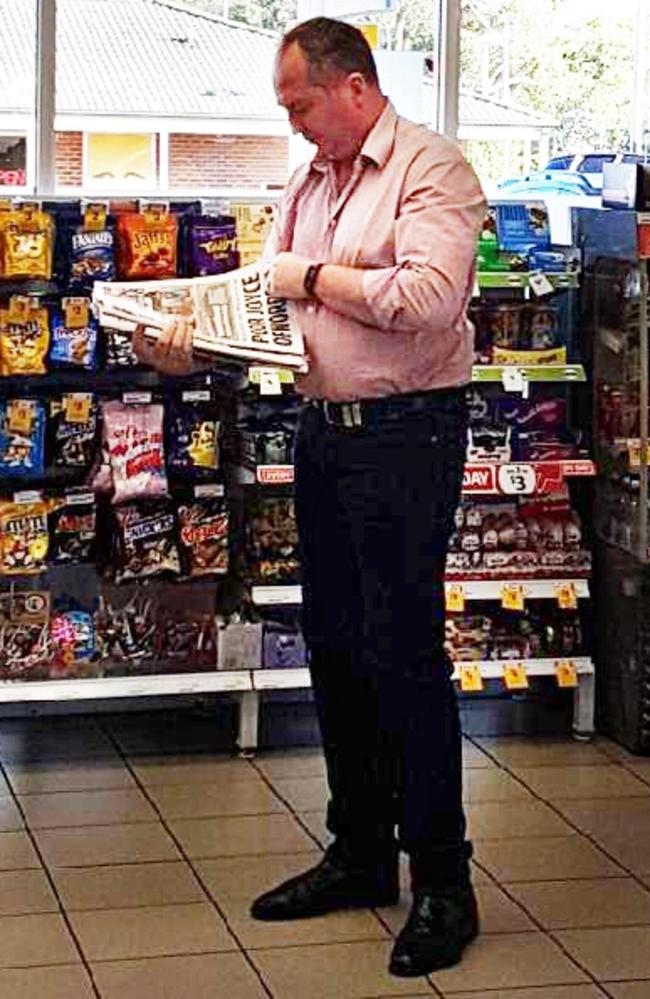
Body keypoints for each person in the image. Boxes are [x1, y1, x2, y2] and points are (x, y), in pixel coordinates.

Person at [134, 17, 486, 978]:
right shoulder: (308, 184)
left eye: (298, 103)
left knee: (405, 653)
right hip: (325, 435)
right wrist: (185, 342)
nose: (290, 124)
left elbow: (431, 298)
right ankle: (361, 852)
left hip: (411, 436)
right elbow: (273, 313)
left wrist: (311, 276)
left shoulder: (432, 170)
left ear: (354, 88)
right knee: (334, 646)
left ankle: (444, 881)